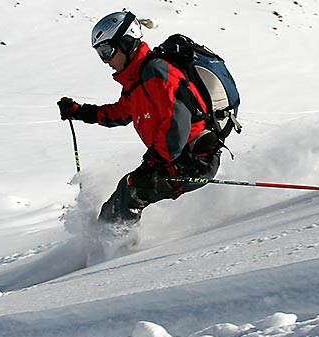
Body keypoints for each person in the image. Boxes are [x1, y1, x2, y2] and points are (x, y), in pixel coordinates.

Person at [58, 11, 221, 230]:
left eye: (107, 51)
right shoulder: (137, 80)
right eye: (100, 54)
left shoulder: (156, 72)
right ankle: (108, 241)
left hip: (195, 159)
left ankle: (114, 244)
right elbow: (120, 113)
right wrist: (80, 112)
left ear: (126, 42)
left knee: (131, 191)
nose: (106, 61)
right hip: (177, 158)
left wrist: (154, 161)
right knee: (128, 190)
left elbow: (177, 122)